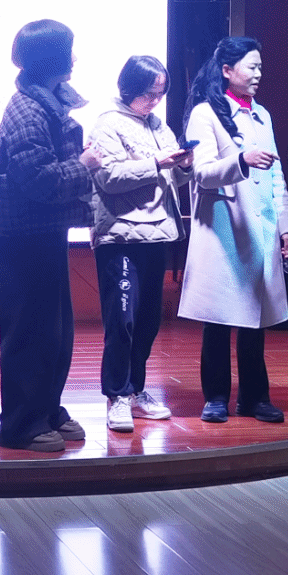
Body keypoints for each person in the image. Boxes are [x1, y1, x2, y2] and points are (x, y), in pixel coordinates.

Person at [0, 19, 103, 453]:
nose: (74, 59)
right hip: (24, 236)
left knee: (54, 332)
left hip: (45, 231)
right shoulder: (27, 111)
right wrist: (84, 165)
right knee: (29, 334)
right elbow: (38, 180)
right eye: (68, 51)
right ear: (52, 58)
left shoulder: (47, 102)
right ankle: (21, 425)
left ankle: (46, 409)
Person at [181, 37, 288, 424]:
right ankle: (215, 397)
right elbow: (201, 172)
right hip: (224, 228)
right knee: (218, 318)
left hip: (259, 226)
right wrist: (241, 161)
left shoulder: (261, 115)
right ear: (227, 70)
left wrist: (287, 225)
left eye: (261, 67)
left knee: (255, 318)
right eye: (252, 66)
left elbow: (277, 175)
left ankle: (254, 397)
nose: (259, 74)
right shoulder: (205, 113)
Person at [88, 55, 193, 433]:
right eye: (149, 93)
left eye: (160, 94)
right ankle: (116, 395)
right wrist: (156, 164)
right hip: (120, 235)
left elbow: (172, 181)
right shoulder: (107, 124)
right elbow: (108, 177)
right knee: (123, 319)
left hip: (159, 231)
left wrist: (183, 166)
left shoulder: (158, 126)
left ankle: (135, 390)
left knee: (148, 321)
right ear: (129, 88)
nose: (155, 101)